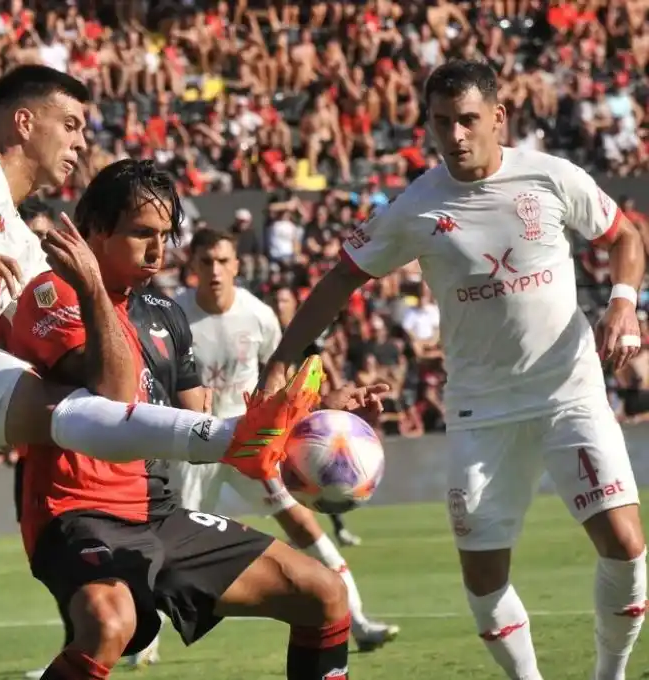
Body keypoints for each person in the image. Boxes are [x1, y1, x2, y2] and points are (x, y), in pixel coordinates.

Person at [0, 66, 312, 680]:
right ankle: (231, 440)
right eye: (70, 124)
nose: (81, 141)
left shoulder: (29, 247)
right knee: (52, 404)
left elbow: (106, 395)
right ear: (22, 121)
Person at [262, 59, 647, 680]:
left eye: (468, 119)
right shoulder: (415, 207)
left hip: (569, 392)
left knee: (626, 546)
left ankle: (612, 673)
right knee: (484, 575)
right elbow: (340, 279)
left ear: (498, 117)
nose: (455, 134)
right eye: (442, 122)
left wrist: (623, 305)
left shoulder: (550, 177)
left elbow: (624, 237)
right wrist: (286, 357)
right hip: (480, 409)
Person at [8, 159, 358, 680]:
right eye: (141, 234)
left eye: (166, 235)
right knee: (108, 625)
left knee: (324, 594)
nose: (159, 250)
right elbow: (113, 393)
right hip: (76, 513)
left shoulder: (165, 312)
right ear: (96, 231)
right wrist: (93, 290)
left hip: (159, 512)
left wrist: (312, 427)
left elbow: (200, 422)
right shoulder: (52, 295)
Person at [173, 228, 399, 651]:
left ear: (237, 265)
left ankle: (360, 621)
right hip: (193, 446)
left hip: (251, 445)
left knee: (301, 522)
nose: (215, 270)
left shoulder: (257, 314)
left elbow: (288, 378)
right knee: (167, 540)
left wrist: (314, 411)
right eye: (206, 262)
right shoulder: (176, 314)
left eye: (223, 261)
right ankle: (139, 645)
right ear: (193, 266)